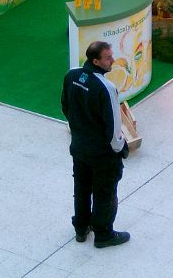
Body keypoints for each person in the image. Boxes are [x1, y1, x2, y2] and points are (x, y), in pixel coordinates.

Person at [61, 41, 130, 248]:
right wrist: (120, 148)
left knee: (81, 188)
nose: (113, 60)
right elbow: (113, 126)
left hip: (79, 148)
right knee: (105, 193)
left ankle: (81, 228)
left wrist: (79, 129)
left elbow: (65, 106)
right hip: (102, 154)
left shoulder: (71, 75)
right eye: (108, 58)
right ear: (96, 61)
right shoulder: (106, 87)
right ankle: (103, 234)